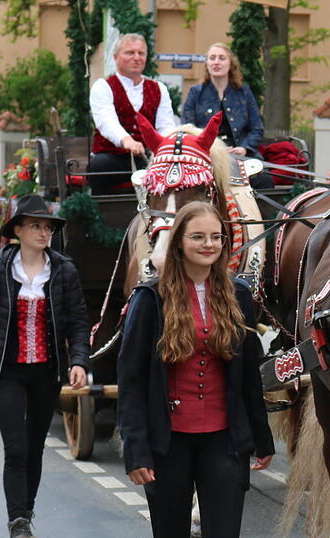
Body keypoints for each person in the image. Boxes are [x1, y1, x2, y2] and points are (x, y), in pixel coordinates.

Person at [117, 201, 274, 537]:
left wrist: (261, 437)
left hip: (224, 438)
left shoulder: (239, 295)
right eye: (198, 236)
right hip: (168, 440)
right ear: (178, 243)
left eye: (216, 237)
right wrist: (136, 450)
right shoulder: (150, 297)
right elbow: (131, 380)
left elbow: (249, 376)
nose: (209, 244)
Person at [0, 194, 90, 537]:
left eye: (48, 227)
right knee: (16, 447)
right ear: (19, 230)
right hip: (6, 372)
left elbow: (78, 322)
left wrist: (78, 361)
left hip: (47, 372)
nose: (44, 233)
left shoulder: (63, 270)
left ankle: (25, 511)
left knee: (35, 444)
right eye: (36, 226)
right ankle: (18, 522)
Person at [88, 33, 176, 195]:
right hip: (113, 156)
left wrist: (165, 148)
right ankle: (102, 216)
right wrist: (126, 140)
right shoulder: (103, 86)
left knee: (173, 170)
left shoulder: (159, 88)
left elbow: (166, 125)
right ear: (115, 57)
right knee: (98, 166)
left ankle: (163, 216)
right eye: (130, 53)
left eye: (141, 53)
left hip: (148, 156)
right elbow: (106, 120)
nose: (136, 57)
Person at [182, 43, 269, 189]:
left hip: (240, 153)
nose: (216, 62)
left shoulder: (244, 93)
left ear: (231, 64)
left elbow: (256, 129)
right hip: (206, 155)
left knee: (263, 181)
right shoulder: (195, 93)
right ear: (207, 64)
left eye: (222, 58)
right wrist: (213, 149)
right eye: (212, 58)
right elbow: (188, 128)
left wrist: (244, 148)